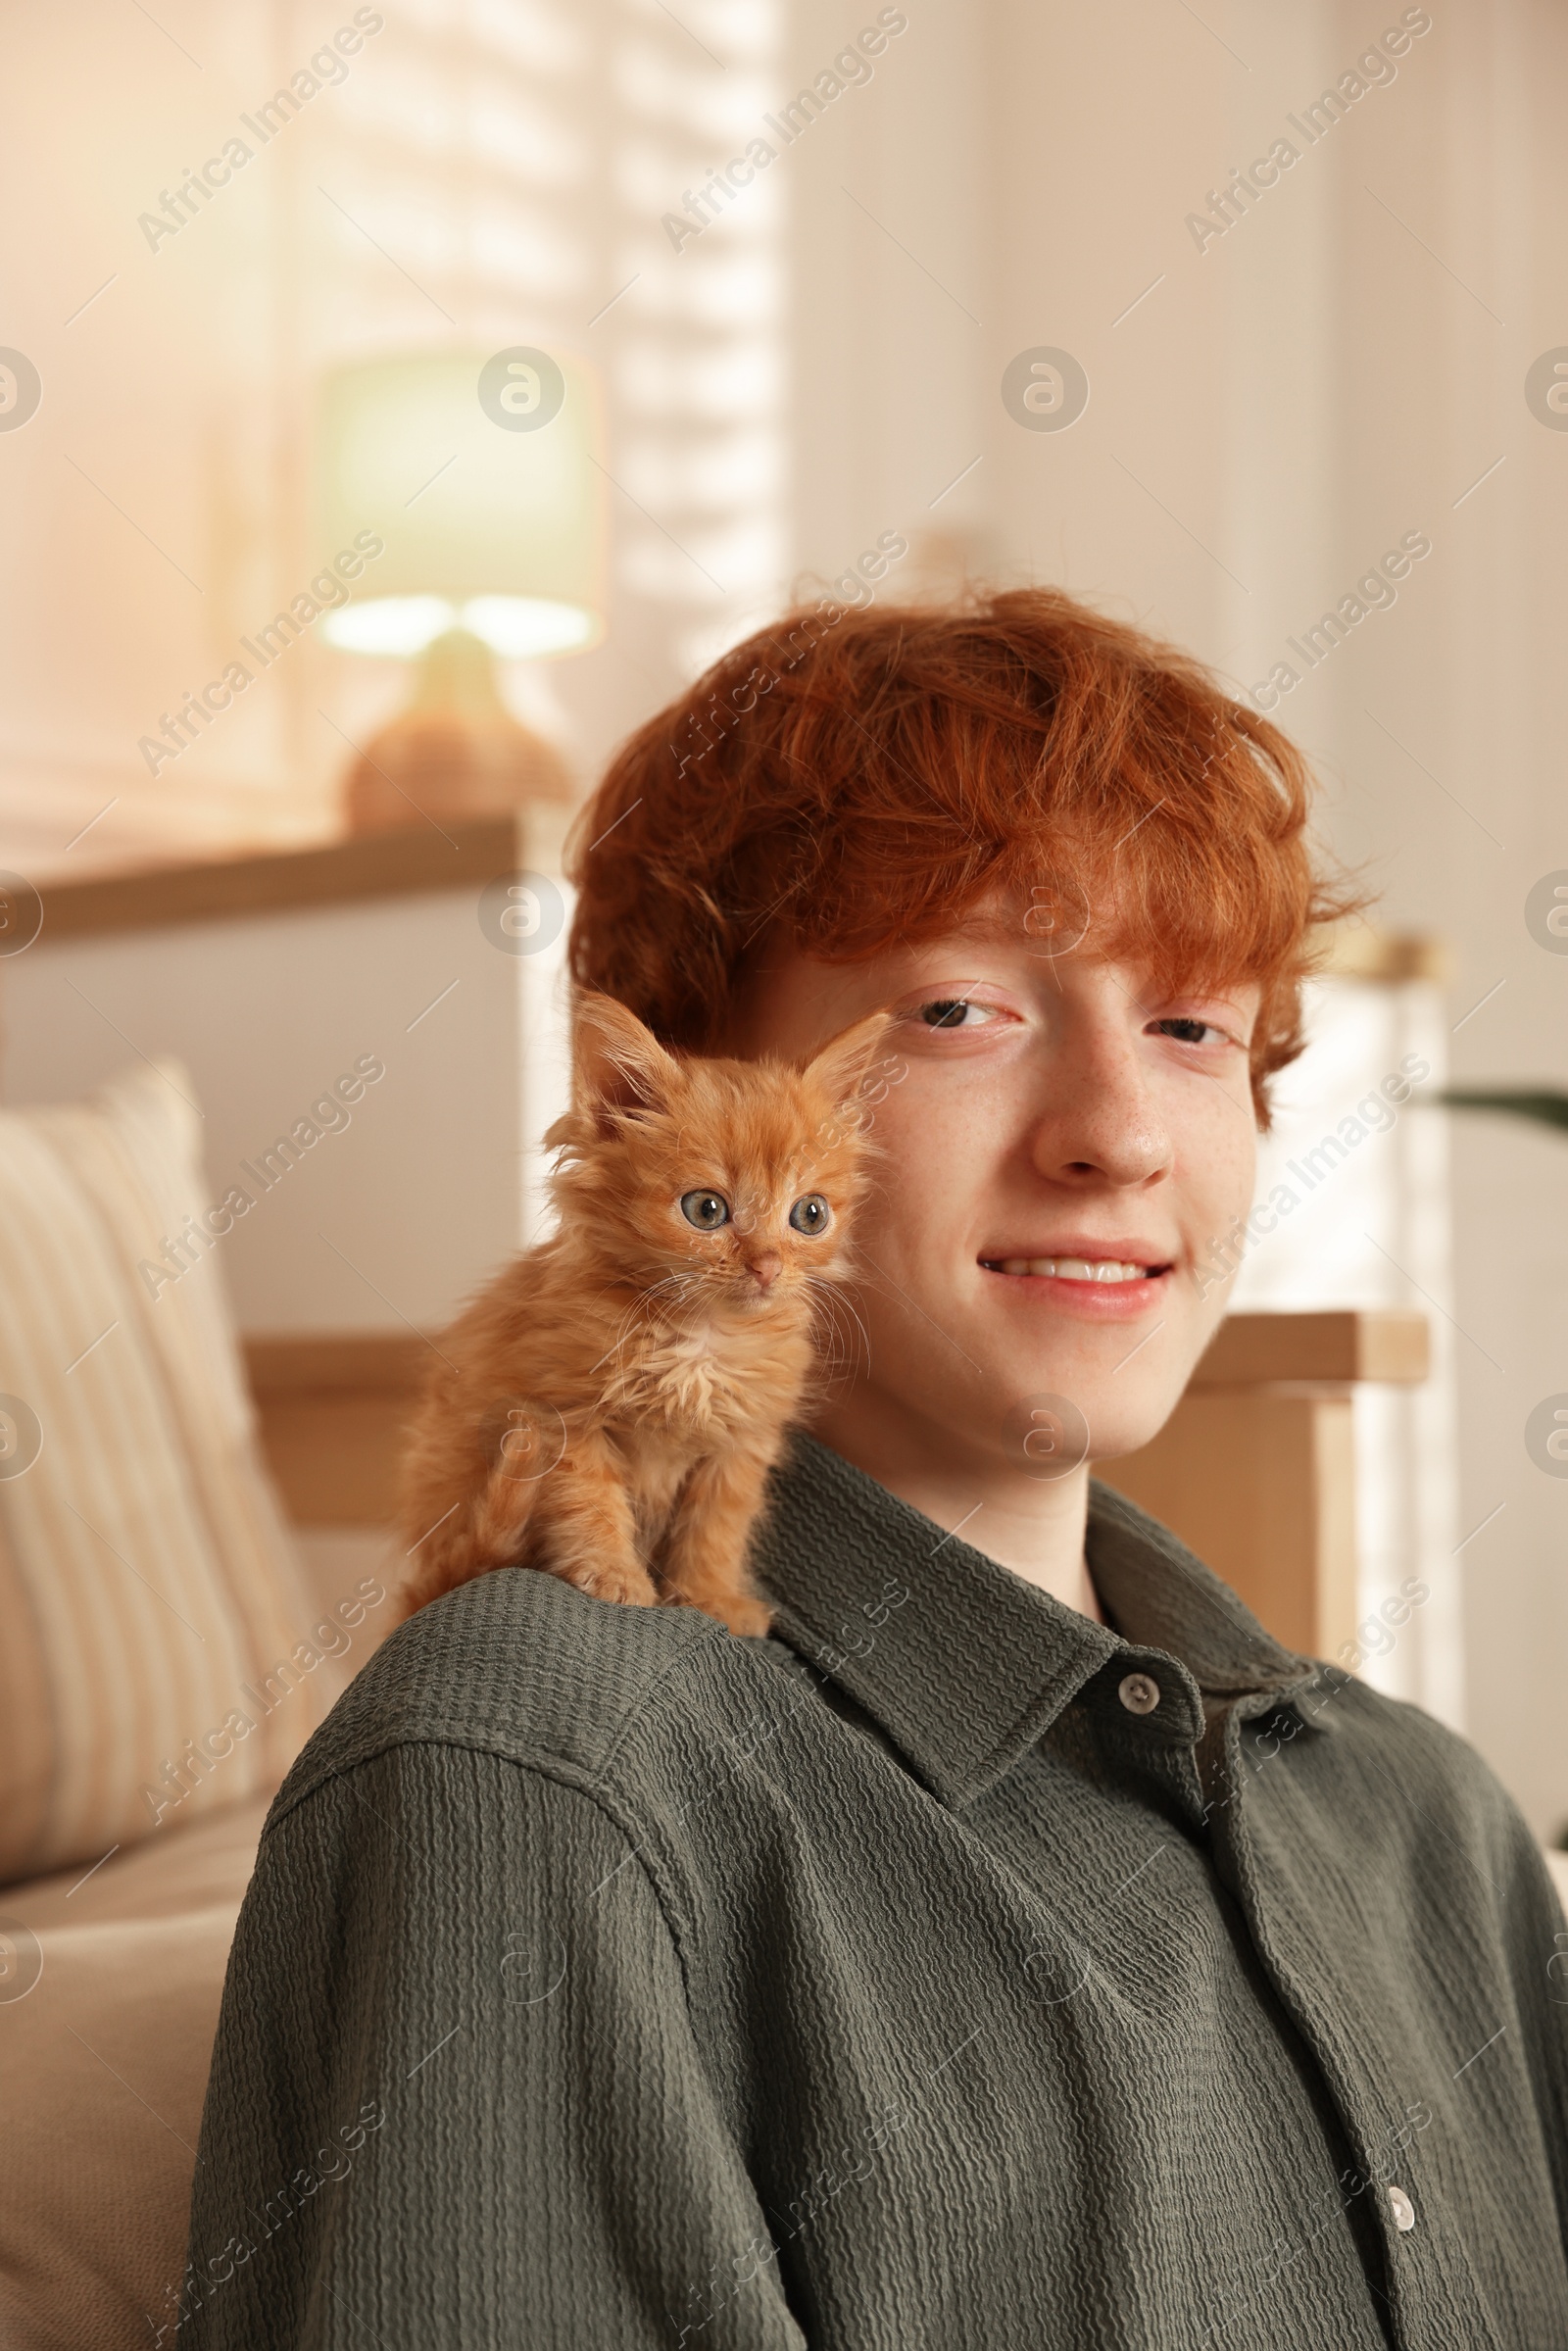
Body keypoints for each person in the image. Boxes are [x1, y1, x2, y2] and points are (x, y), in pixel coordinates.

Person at [180, 589, 1568, 2347]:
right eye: (964, 1010)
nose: (1120, 1134)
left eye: (1196, 1027)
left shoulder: (1433, 1824)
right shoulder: (541, 1775)